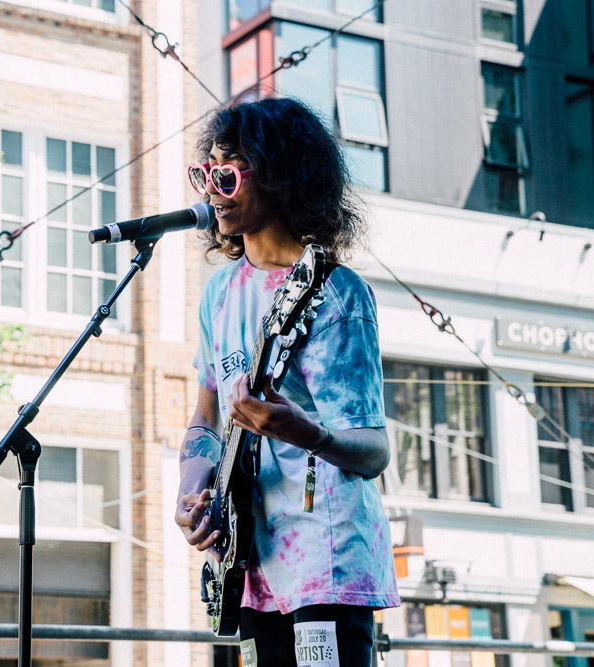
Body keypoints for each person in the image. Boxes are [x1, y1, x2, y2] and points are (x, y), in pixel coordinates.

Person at [175, 96, 399, 666]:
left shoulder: (337, 294)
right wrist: (191, 491)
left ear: (280, 178)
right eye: (205, 175)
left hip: (325, 558)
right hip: (249, 559)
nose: (211, 191)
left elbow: (372, 452)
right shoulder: (219, 294)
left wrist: (303, 432)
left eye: (226, 175)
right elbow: (206, 419)